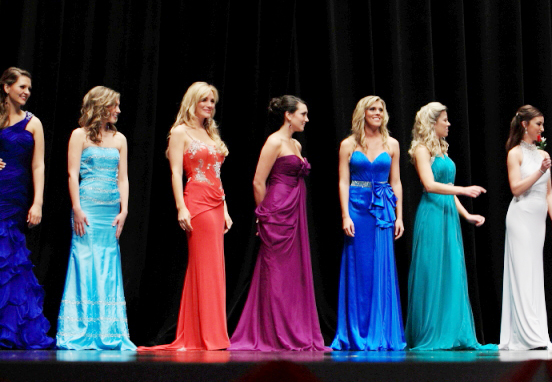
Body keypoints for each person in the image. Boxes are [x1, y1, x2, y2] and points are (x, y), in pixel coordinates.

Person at [230, 95, 328, 351]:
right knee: (275, 273)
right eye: (303, 114)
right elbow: (258, 181)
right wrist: (264, 215)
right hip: (277, 211)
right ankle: (272, 334)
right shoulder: (274, 141)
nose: (306, 119)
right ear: (288, 115)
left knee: (292, 276)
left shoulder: (295, 144)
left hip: (295, 211)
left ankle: (293, 330)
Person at [139, 82, 232, 351]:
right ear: (192, 101)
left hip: (216, 203)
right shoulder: (180, 132)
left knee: (213, 267)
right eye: (204, 100)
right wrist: (181, 207)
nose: (209, 105)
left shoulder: (210, 132)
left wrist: (225, 209)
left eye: (212, 101)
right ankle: (202, 335)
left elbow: (217, 175)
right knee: (204, 266)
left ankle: (207, 333)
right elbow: (175, 173)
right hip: (197, 202)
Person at [405, 102, 494, 350]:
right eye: (444, 119)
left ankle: (452, 332)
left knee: (451, 272)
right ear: (432, 122)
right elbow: (430, 185)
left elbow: (448, 189)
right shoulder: (422, 149)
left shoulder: (442, 150)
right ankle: (431, 332)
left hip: (448, 216)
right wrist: (464, 190)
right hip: (432, 214)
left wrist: (467, 215)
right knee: (432, 271)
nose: (449, 123)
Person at [56, 86, 135, 350]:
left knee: (108, 265)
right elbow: (72, 173)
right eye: (115, 105)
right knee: (84, 261)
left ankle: (108, 329)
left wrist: (124, 210)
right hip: (87, 208)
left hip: (110, 212)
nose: (119, 110)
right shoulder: (79, 135)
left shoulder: (120, 139)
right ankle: (80, 329)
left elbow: (123, 178)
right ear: (100, 105)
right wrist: (77, 207)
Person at [331, 96, 405, 351]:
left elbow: (396, 182)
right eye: (372, 109)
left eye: (381, 109)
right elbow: (343, 181)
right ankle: (357, 331)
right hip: (357, 207)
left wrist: (399, 216)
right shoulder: (348, 144)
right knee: (359, 269)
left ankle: (381, 330)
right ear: (362, 113)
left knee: (381, 267)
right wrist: (345, 215)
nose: (377, 113)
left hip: (382, 209)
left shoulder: (392, 144)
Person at [499, 105, 552, 351]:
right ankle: (528, 336)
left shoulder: (542, 154)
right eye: (538, 124)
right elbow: (516, 189)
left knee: (534, 275)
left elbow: (548, 193)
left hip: (538, 221)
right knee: (523, 274)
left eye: (543, 124)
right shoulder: (515, 154)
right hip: (520, 217)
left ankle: (536, 331)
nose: (542, 129)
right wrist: (539, 171)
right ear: (525, 125)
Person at [0, 67, 54, 349]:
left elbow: (38, 165)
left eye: (29, 88)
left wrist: (38, 202)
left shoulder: (34, 123)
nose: (26, 92)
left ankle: (10, 328)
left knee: (11, 257)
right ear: (6, 87)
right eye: (22, 86)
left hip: (15, 196)